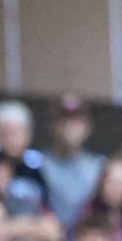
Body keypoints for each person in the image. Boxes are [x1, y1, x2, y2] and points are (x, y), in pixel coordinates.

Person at [40, 95, 105, 226]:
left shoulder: (100, 167)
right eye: (64, 118)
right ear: (52, 125)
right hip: (48, 240)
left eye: (76, 119)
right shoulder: (37, 164)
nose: (70, 125)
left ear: (87, 127)